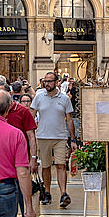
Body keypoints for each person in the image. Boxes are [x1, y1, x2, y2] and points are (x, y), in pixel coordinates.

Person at [29, 71, 75, 209]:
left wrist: (72, 139)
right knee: (46, 166)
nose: (46, 84)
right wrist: (31, 134)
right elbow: (31, 116)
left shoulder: (64, 98)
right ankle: (47, 192)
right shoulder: (38, 97)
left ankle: (63, 193)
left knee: (61, 165)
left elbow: (70, 119)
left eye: (49, 81)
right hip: (42, 136)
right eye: (45, 81)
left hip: (60, 136)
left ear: (57, 82)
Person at [7, 92, 39, 217]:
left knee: (25, 193)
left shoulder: (23, 111)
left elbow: (31, 136)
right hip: (4, 162)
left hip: (22, 160)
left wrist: (33, 158)